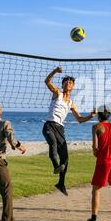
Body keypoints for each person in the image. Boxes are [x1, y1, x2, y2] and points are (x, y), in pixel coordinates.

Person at [43, 66, 96, 196]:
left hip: (60, 128)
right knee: (53, 145)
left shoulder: (71, 102)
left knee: (65, 158)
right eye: (66, 82)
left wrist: (90, 116)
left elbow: (79, 119)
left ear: (73, 87)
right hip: (49, 125)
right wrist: (55, 71)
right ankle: (55, 166)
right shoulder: (57, 94)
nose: (68, 83)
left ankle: (61, 183)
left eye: (71, 82)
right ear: (63, 85)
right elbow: (47, 82)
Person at [83, 105, 111, 221]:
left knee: (96, 189)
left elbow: (95, 148)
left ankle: (94, 219)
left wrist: (97, 153)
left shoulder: (96, 127)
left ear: (98, 115)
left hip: (103, 161)